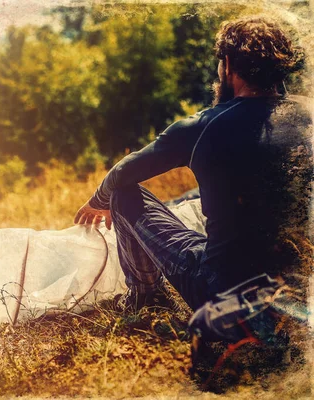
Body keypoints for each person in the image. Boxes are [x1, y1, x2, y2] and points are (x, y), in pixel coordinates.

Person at [74, 17, 312, 313]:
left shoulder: (203, 126)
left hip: (222, 299)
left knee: (122, 195)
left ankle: (145, 298)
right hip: (301, 299)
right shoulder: (309, 115)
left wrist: (99, 200)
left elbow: (122, 172)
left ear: (228, 64)